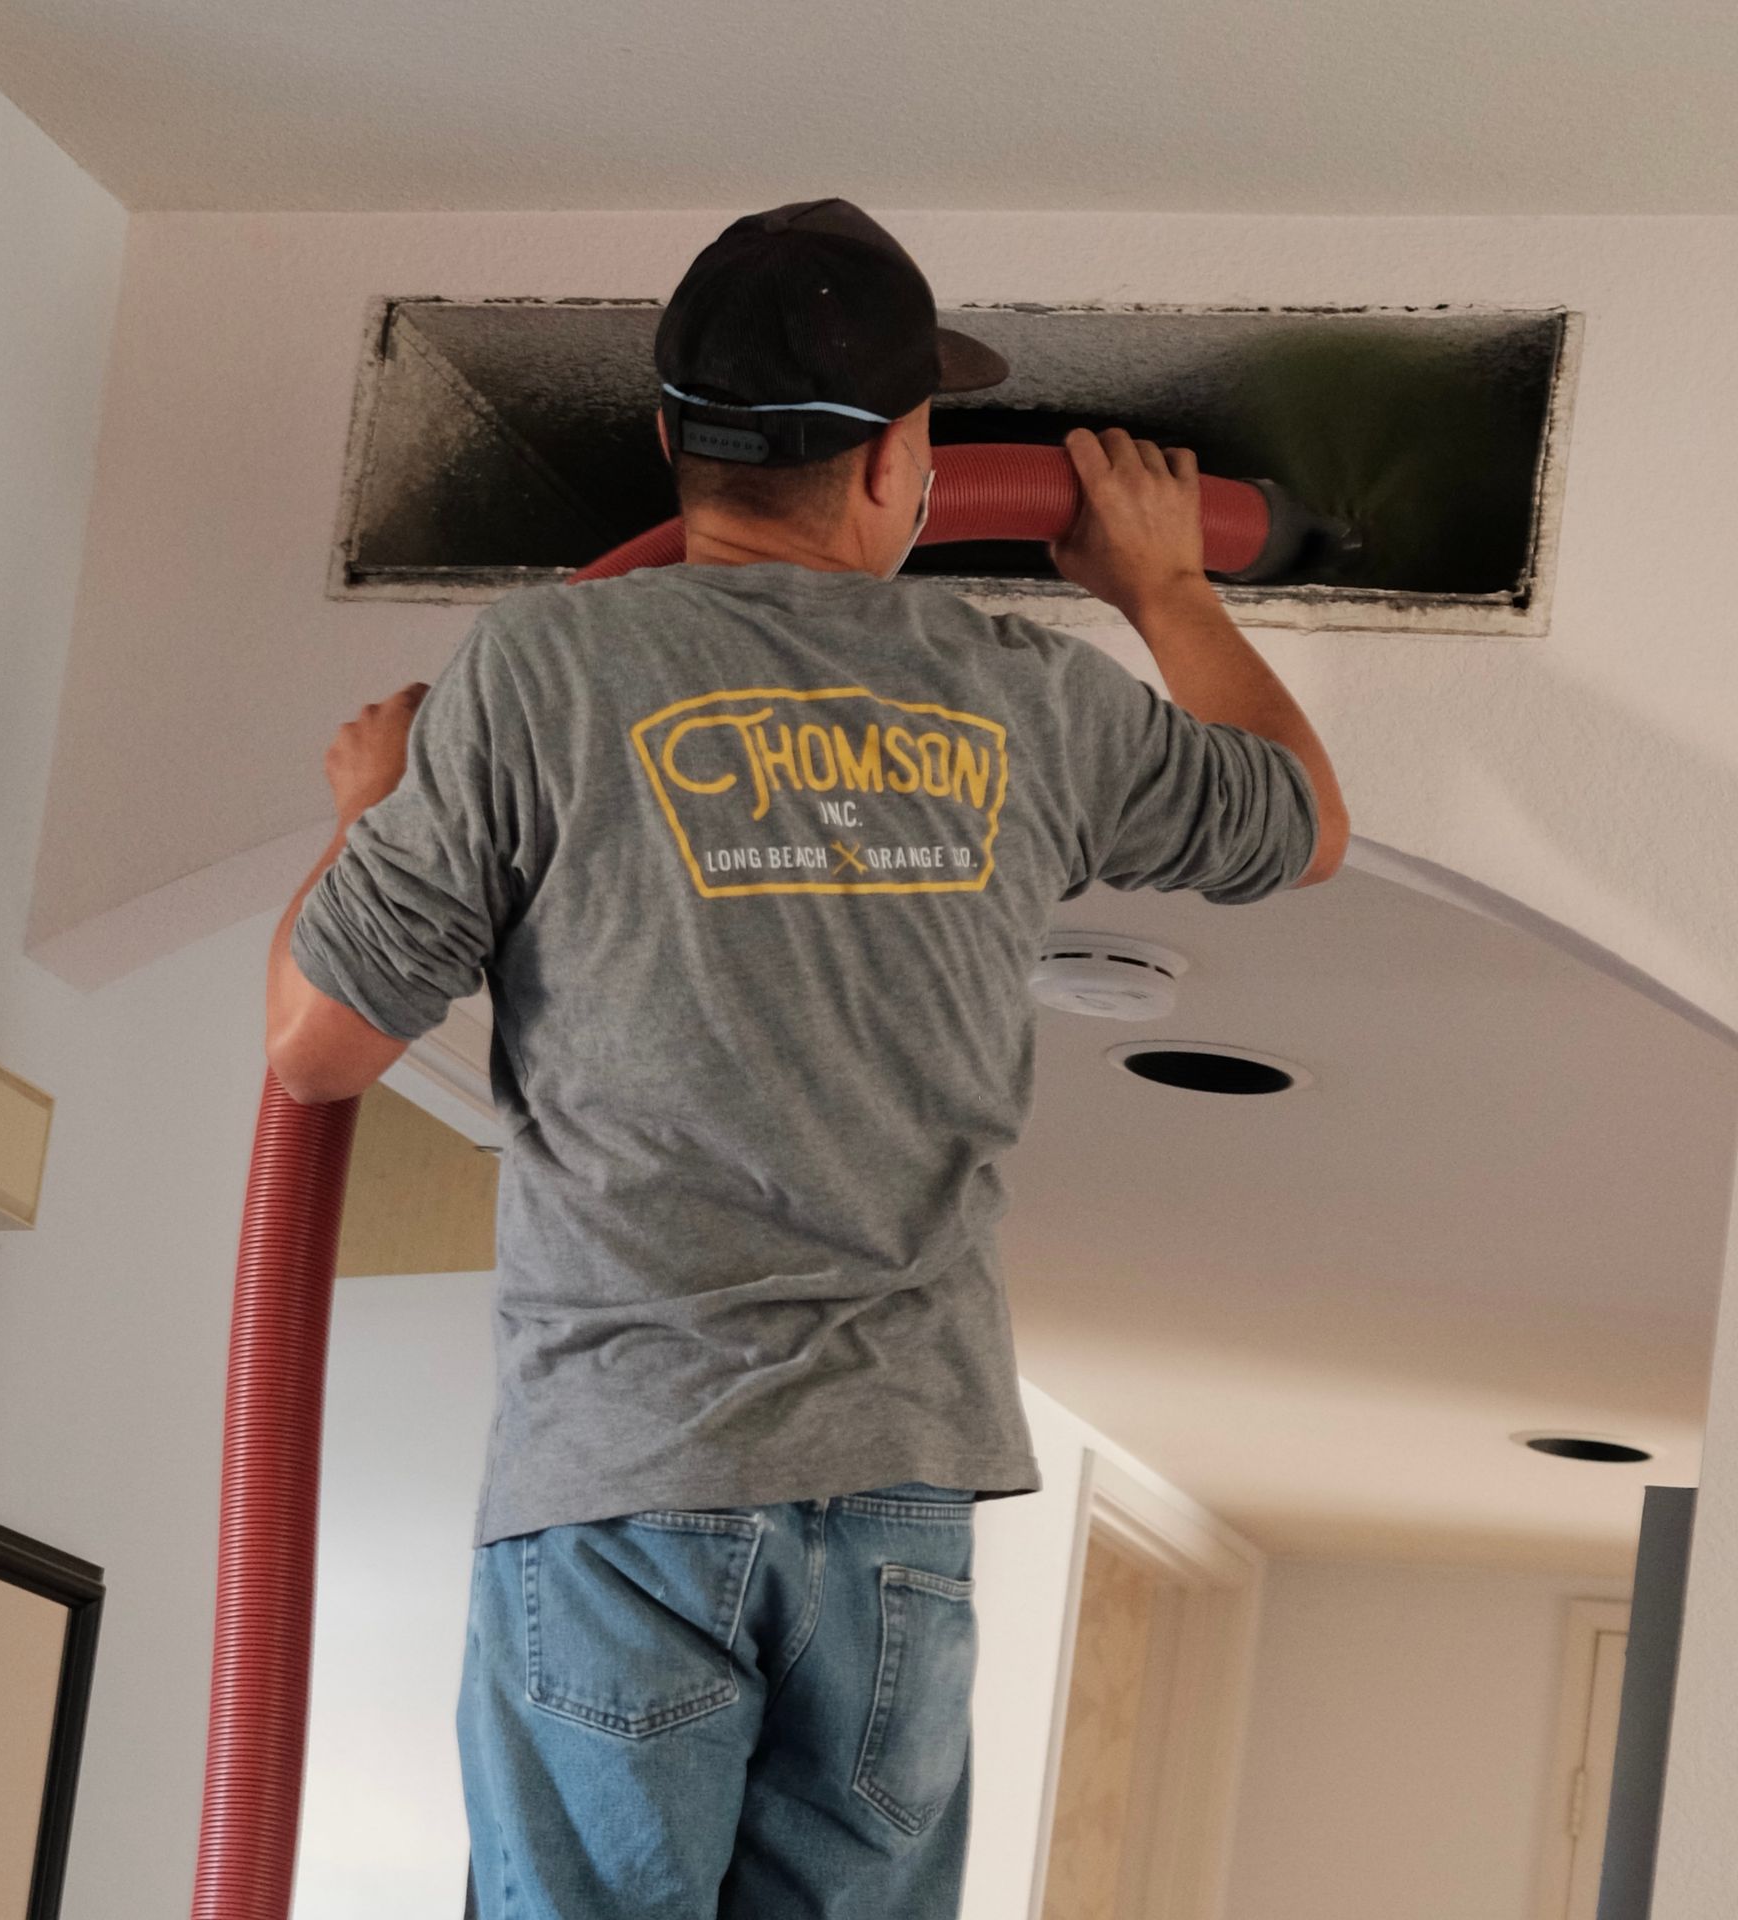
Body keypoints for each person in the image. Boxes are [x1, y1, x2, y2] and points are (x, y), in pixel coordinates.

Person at [263, 198, 1348, 1920]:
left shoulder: (547, 669)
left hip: (628, 1483)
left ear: (671, 440)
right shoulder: (1019, 698)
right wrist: (1165, 586)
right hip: (893, 1512)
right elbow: (1296, 822)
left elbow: (320, 1051)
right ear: (896, 465)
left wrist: (365, 819)